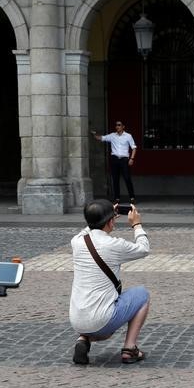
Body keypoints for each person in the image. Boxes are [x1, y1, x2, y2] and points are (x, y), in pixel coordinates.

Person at [70, 199, 150, 365]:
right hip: (102, 321)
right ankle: (130, 348)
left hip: (76, 319)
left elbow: (88, 229)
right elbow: (143, 249)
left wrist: (102, 215)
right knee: (142, 294)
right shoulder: (113, 245)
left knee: (93, 311)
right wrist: (137, 225)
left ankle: (83, 339)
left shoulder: (76, 241)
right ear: (111, 221)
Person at [94, 120, 137, 203]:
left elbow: (134, 148)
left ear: (123, 126)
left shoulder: (128, 136)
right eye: (116, 125)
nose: (117, 126)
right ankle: (117, 198)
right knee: (115, 179)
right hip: (115, 159)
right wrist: (94, 134)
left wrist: (131, 159)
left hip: (124, 160)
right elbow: (101, 138)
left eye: (119, 125)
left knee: (127, 178)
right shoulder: (112, 136)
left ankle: (132, 197)